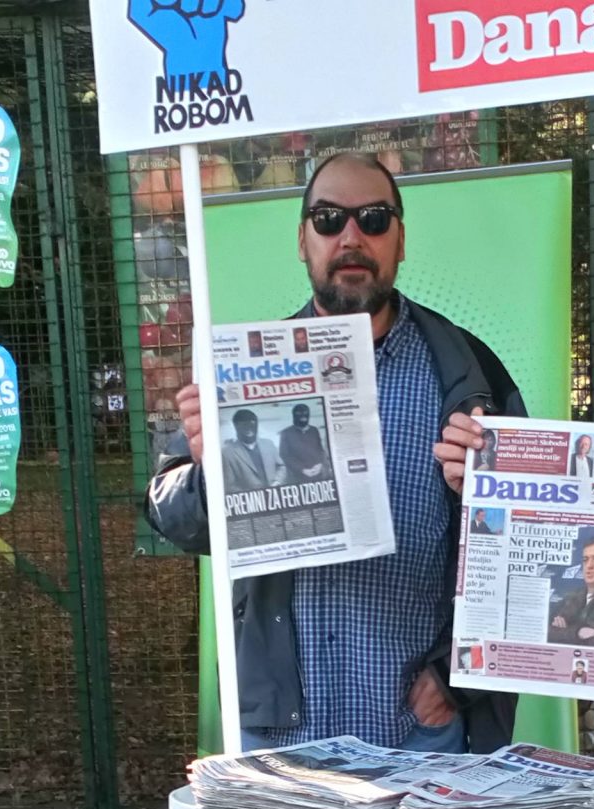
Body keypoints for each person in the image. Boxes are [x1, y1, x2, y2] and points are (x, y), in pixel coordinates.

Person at [146, 152, 525, 752]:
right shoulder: (251, 369)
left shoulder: (467, 371)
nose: (350, 236)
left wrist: (454, 679)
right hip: (281, 732)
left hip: (415, 731)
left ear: (401, 239)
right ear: (302, 240)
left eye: (373, 219)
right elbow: (175, 518)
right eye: (327, 219)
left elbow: (523, 553)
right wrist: (208, 472)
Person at [548, 534, 594, 648]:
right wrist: (579, 632)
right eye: (585, 560)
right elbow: (546, 632)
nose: (589, 565)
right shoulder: (571, 597)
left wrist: (564, 632)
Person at [222, 409, 279, 495]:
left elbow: (281, 466)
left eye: (251, 424)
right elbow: (229, 485)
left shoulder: (268, 444)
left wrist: (277, 481)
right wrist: (251, 496)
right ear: (235, 427)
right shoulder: (227, 453)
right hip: (250, 502)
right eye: (243, 425)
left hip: (276, 497)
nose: (248, 429)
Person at [277, 403, 328, 487]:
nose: (303, 418)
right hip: (297, 478)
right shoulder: (286, 433)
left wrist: (319, 464)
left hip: (317, 476)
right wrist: (302, 470)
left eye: (305, 415)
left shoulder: (314, 430)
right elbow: (284, 455)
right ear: (294, 416)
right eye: (299, 415)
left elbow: (320, 450)